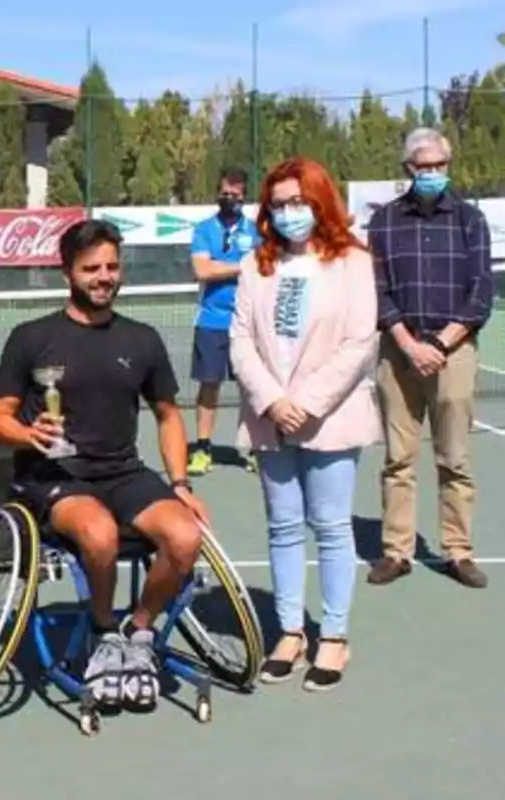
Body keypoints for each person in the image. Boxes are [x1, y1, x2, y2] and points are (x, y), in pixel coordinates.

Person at [0, 218, 208, 710]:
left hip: (123, 472)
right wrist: (28, 434)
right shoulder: (31, 337)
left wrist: (180, 483)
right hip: (53, 478)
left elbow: (169, 417)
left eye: (112, 266)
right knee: (100, 532)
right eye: (91, 268)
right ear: (68, 271)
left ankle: (139, 630)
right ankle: (104, 629)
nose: (104, 276)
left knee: (185, 536)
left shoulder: (144, 339)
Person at [230, 157, 380, 692]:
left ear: (320, 202)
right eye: (279, 203)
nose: (289, 212)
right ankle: (290, 632)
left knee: (333, 526)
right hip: (272, 419)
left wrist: (308, 402)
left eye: (299, 202)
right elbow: (241, 340)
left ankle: (334, 637)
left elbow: (360, 342)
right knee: (283, 526)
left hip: (330, 418)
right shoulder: (255, 264)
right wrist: (272, 401)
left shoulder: (354, 263)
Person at [367, 127, 493, 589]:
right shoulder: (382, 223)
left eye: (440, 165)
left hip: (453, 354)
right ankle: (396, 552)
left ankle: (458, 551)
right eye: (424, 166)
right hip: (398, 352)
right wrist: (408, 343)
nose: (432, 173)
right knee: (398, 459)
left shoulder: (469, 219)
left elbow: (481, 291)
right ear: (408, 169)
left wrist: (440, 345)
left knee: (454, 458)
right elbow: (377, 291)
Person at [187, 168, 259, 476]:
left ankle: (254, 447)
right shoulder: (204, 229)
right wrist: (244, 265)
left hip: (248, 322)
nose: (230, 199)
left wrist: (223, 266)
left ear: (244, 196)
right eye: (225, 194)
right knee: (209, 386)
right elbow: (202, 271)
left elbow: (264, 268)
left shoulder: (257, 231)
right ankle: (203, 448)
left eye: (236, 195)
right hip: (211, 321)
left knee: (251, 386)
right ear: (218, 193)